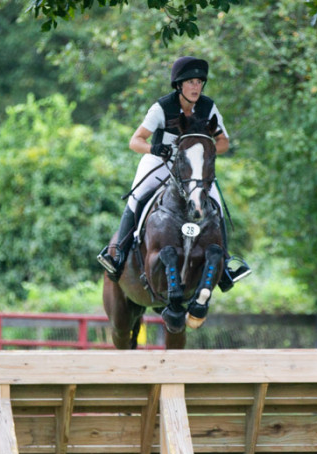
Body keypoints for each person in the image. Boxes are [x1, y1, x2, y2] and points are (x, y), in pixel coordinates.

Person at [98, 56, 250, 291]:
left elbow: (223, 142)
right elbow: (135, 141)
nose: (196, 87)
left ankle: (226, 264)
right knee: (137, 198)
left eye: (199, 82)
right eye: (190, 82)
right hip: (159, 162)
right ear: (179, 85)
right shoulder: (162, 107)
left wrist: (205, 153)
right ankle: (119, 255)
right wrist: (153, 148)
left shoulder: (208, 108)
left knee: (216, 204)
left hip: (193, 169)